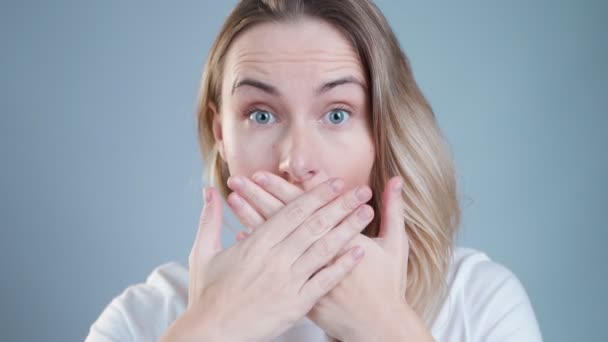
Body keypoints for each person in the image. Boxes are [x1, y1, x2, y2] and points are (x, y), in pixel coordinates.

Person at [85, 0, 543, 341]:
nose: (296, 162)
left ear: (383, 131)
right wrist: (212, 326)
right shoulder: (144, 318)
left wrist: (386, 326)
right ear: (220, 133)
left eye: (337, 113)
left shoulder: (477, 303)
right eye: (261, 114)